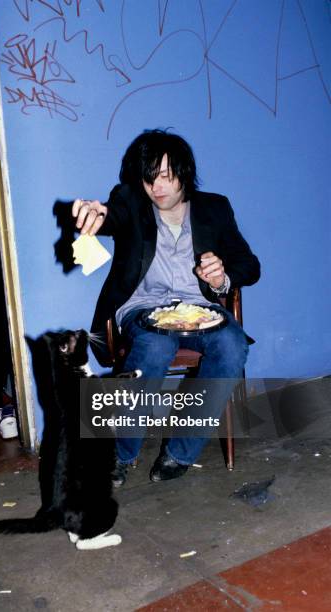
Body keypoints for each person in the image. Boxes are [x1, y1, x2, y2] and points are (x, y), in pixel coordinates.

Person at [72, 129, 260, 486]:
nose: (157, 187)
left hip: (199, 309)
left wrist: (221, 279)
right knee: (154, 347)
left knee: (232, 346)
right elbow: (112, 216)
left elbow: (249, 265)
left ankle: (181, 452)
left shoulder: (214, 208)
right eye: (149, 178)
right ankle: (121, 453)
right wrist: (96, 214)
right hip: (143, 308)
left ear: (184, 174)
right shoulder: (130, 201)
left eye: (166, 176)